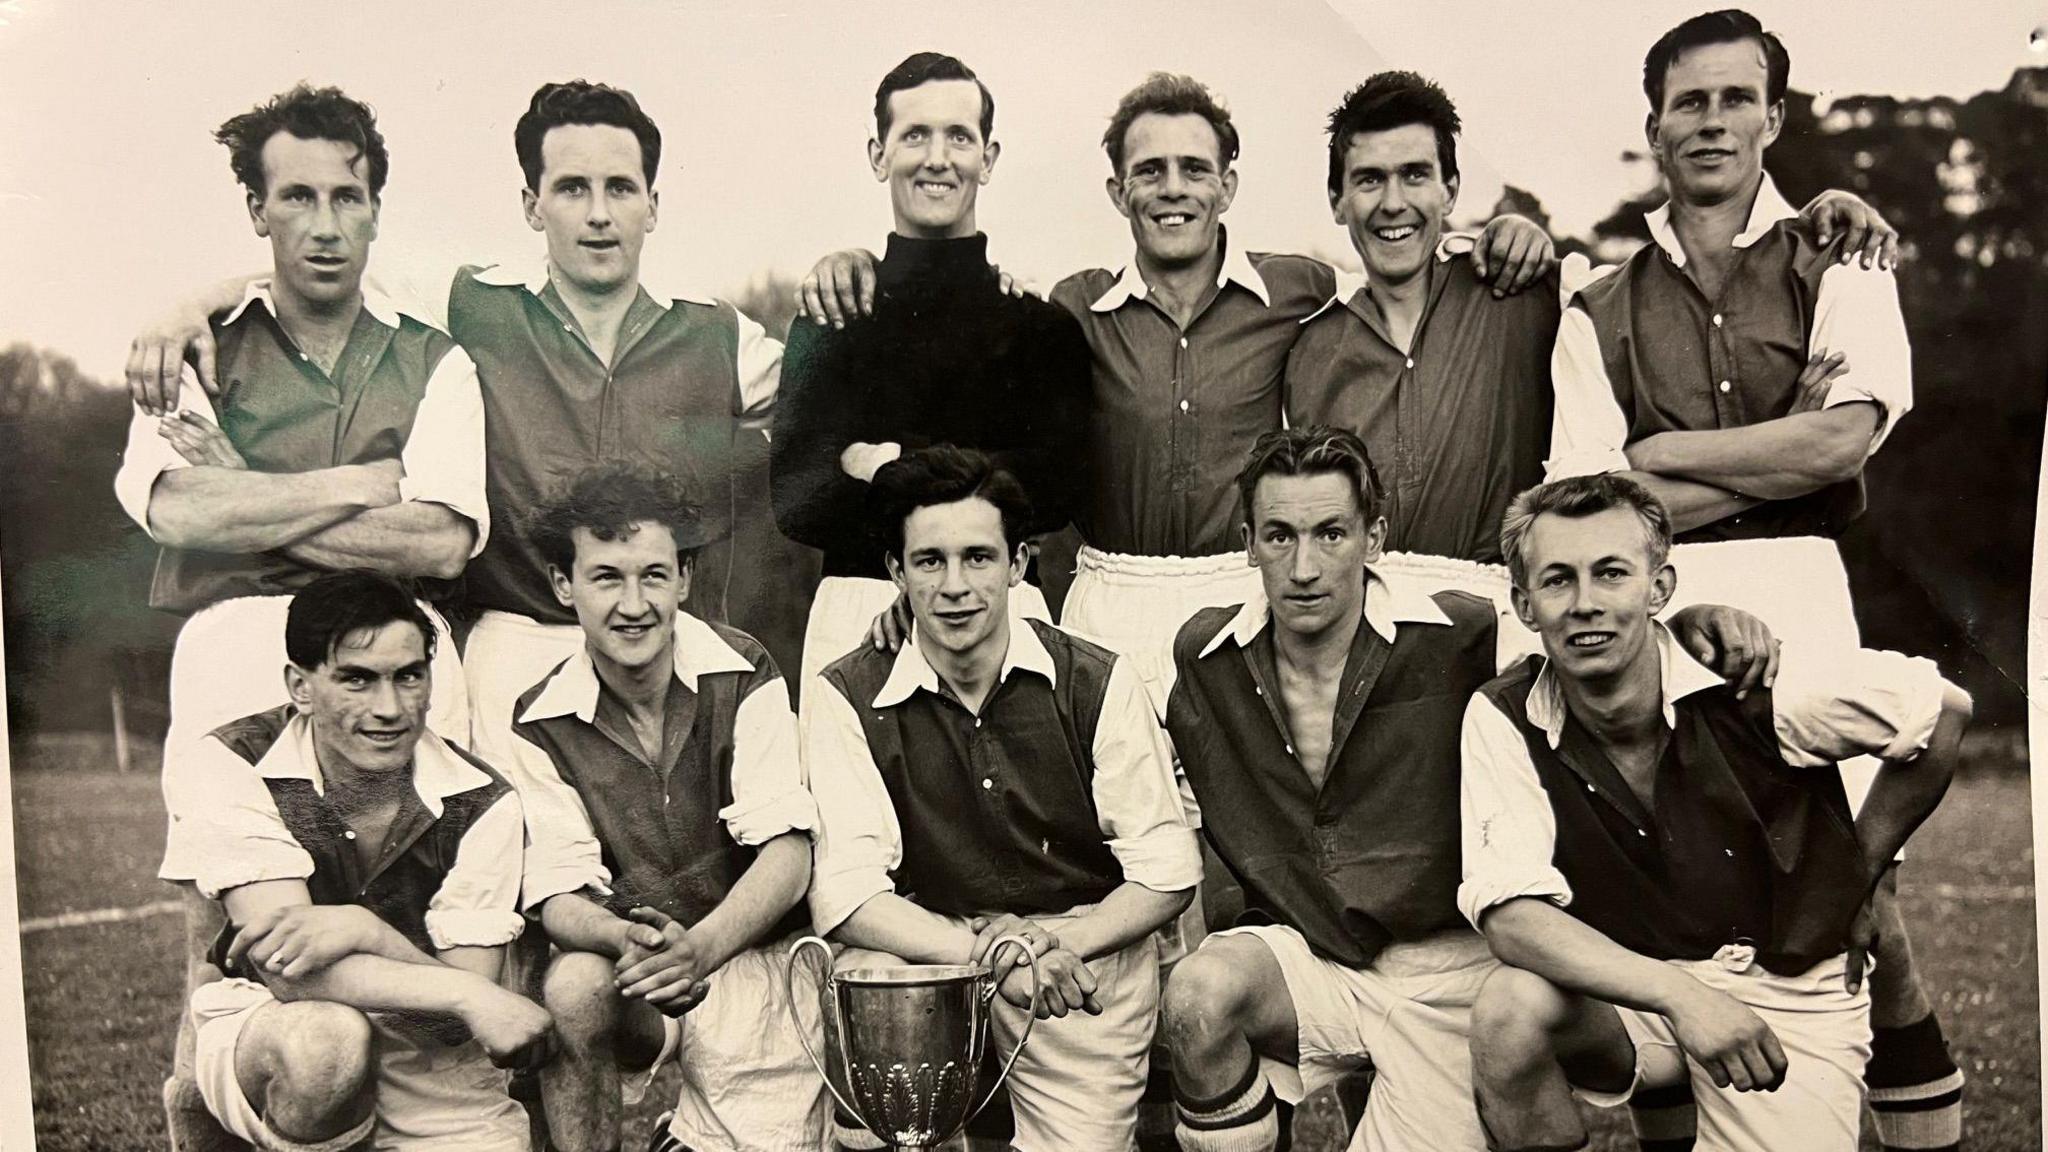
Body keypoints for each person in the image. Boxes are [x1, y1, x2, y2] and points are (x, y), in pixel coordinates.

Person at [1544, 12, 1957, 1148]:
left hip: (1805, 596)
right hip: (1664, 610)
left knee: (1858, 910)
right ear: (1654, 125)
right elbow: (1591, 509)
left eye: (1735, 98)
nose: (1711, 120)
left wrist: (1661, 458)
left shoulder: (1841, 255)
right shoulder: (1597, 302)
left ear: (1772, 117)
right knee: (1680, 905)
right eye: (1689, 101)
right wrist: (1748, 467)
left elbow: (1840, 445)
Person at [120, 78, 784, 774]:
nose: (597, 215)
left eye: (620, 188)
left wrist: (854, 277)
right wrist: (188, 308)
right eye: (570, 188)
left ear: (653, 205)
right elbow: (317, 269)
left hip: (660, 634)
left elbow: (826, 406)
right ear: (533, 205)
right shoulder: (466, 303)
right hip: (520, 635)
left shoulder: (720, 336)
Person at [1154, 426, 1779, 1151]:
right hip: (1321, 961)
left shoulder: (1467, 632)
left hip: (1458, 976)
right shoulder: (1205, 652)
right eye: (1278, 536)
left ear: (1374, 536)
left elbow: (1587, 646)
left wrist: (1692, 623)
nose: (1304, 566)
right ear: (1247, 541)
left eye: (1331, 533)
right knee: (1200, 996)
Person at [109, 82, 485, 1143]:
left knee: (406, 880)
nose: (326, 225)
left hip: (394, 643)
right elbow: (174, 508)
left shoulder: (433, 354)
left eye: (349, 198)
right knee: (224, 901)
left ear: (375, 206)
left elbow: (443, 540)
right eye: (299, 198)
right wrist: (359, 482)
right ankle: (205, 1084)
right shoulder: (196, 343)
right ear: (256, 210)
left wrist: (251, 493)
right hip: (236, 633)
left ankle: (404, 1107)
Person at [1459, 473, 1971, 1152]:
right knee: (1507, 1011)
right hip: (1642, 995)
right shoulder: (1503, 712)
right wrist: (1680, 994)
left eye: (1611, 573)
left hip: (1788, 991)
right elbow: (1513, 919)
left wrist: (1864, 868)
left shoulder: (1756, 683)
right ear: (1524, 605)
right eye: (1558, 581)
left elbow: (1942, 714)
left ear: (1660, 588)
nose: (1585, 603)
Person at [803, 446, 1202, 1151]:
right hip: (929, 951)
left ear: (1019, 564)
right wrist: (996, 957)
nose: (955, 586)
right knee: (874, 986)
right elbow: (850, 895)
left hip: (1074, 959)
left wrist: (1047, 947)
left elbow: (1165, 872)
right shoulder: (846, 693)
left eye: (979, 558)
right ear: (896, 572)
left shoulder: (1097, 680)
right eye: (929, 561)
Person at [163, 570, 550, 1152]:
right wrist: (469, 994)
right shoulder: (232, 761)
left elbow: (450, 1024)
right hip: (272, 1024)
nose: (389, 707)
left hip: (429, 1060)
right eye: (357, 680)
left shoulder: (482, 802)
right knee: (327, 1045)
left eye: (408, 676)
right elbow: (287, 971)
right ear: (300, 685)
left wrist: (363, 928)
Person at [500, 463, 825, 1152]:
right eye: (606, 577)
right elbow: (557, 894)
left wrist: (697, 951)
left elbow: (789, 855)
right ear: (565, 586)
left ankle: (680, 1135)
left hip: (752, 957)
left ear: (684, 579)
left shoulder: (745, 671)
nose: (633, 603)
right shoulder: (537, 720)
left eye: (653, 574)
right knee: (574, 984)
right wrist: (630, 943)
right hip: (642, 975)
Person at [769, 52, 1091, 690]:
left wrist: (890, 463)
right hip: (857, 612)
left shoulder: (1038, 327)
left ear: (988, 158)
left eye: (959, 137)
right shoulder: (832, 316)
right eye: (914, 135)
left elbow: (1057, 489)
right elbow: (800, 499)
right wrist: (984, 470)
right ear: (878, 154)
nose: (937, 157)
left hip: (1001, 606)